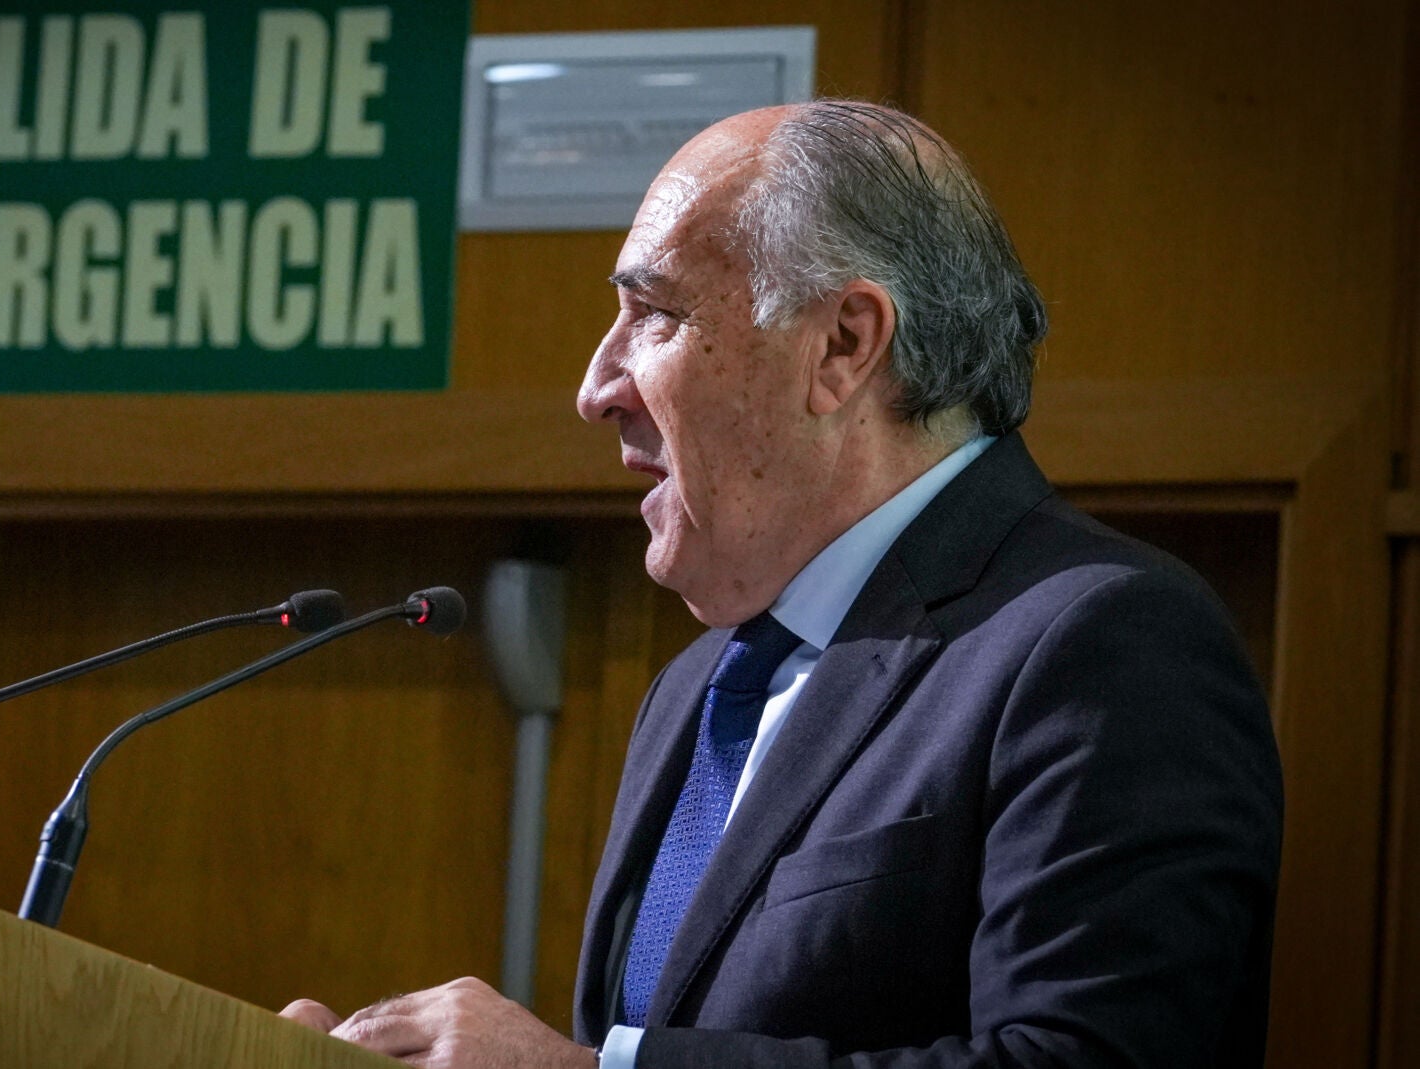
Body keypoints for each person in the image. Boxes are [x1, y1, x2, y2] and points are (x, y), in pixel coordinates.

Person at [282, 100, 1283, 1067]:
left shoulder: (1105, 642)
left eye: (654, 315)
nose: (595, 387)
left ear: (843, 344)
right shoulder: (700, 686)